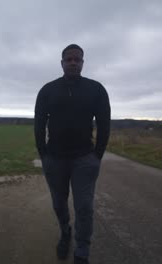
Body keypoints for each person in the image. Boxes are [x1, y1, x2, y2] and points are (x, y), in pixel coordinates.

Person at [34, 44, 111, 264]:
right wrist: (43, 153)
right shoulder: (48, 90)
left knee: (84, 207)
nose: (73, 62)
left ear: (83, 63)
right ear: (62, 63)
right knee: (59, 203)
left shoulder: (96, 89)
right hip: (55, 159)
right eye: (69, 59)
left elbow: (105, 124)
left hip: (84, 159)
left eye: (77, 59)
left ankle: (82, 251)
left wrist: (97, 155)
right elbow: (39, 124)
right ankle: (65, 231)